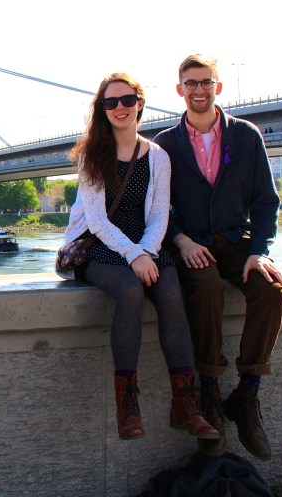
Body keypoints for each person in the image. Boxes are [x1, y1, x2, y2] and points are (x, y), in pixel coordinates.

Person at [57, 72, 218, 442]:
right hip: (99, 244)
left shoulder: (158, 157)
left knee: (171, 293)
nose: (120, 108)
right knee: (130, 290)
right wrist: (134, 256)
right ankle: (127, 405)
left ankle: (185, 404)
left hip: (146, 242)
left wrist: (146, 251)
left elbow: (160, 216)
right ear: (102, 109)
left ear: (140, 104)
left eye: (127, 100)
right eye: (111, 102)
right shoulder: (92, 156)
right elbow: (97, 221)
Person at [154, 54, 282, 461]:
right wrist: (180, 241)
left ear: (218, 87)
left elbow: (266, 201)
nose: (199, 90)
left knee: (271, 290)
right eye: (191, 83)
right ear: (179, 89)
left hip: (236, 240)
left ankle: (247, 394)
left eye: (206, 82)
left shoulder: (246, 136)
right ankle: (209, 391)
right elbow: (157, 209)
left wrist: (259, 251)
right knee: (206, 287)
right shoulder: (164, 145)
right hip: (192, 244)